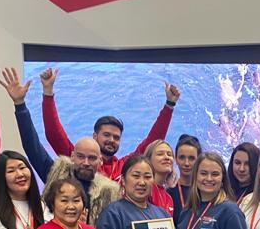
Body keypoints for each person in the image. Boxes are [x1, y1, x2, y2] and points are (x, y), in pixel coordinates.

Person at [40, 66, 180, 181]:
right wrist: (48, 92)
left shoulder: (125, 166)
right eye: (106, 135)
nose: (112, 140)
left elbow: (151, 142)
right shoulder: (80, 160)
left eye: (116, 137)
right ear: (95, 136)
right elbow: (54, 134)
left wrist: (169, 105)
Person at [43, 142, 120, 226]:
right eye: (81, 156)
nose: (86, 163)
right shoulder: (56, 175)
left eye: (92, 158)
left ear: (100, 160)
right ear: (72, 156)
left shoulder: (109, 194)